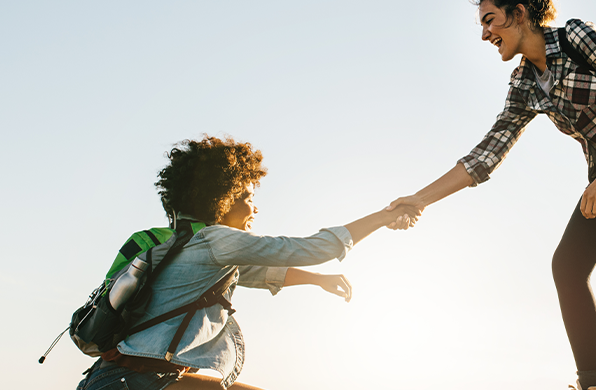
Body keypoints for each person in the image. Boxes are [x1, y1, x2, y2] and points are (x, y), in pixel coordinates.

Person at [385, 0, 596, 390]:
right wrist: (419, 199)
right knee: (567, 266)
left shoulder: (577, 39)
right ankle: (595, 385)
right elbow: (487, 154)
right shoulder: (525, 83)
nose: (484, 33)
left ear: (519, 14)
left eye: (490, 19)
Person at [77, 135, 416, 390]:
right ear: (224, 197)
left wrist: (317, 280)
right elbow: (315, 247)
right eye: (250, 197)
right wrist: (382, 217)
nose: (255, 209)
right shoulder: (216, 240)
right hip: (138, 379)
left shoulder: (187, 244)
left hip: (112, 379)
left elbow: (263, 273)